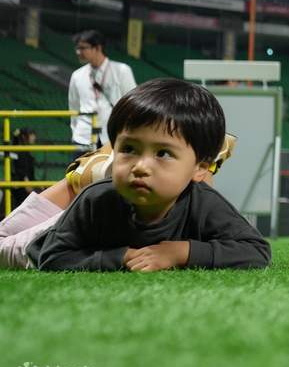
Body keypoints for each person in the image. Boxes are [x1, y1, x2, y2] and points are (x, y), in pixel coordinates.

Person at [24, 79, 268, 271]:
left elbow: (256, 251)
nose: (140, 166)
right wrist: (119, 257)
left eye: (163, 153)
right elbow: (50, 256)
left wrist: (180, 253)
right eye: (128, 149)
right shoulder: (95, 200)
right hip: (31, 243)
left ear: (200, 168)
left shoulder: (204, 202)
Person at [67, 29, 136, 152]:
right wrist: (76, 132)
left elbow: (133, 104)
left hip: (112, 138)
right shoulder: (77, 75)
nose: (78, 52)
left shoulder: (121, 70)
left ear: (98, 48)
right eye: (77, 48)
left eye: (83, 48)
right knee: (78, 172)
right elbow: (74, 107)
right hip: (83, 138)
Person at [3, 128, 37, 208]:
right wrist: (26, 182)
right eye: (31, 134)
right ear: (24, 137)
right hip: (20, 186)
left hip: (24, 184)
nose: (34, 137)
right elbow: (21, 169)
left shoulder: (24, 151)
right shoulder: (20, 151)